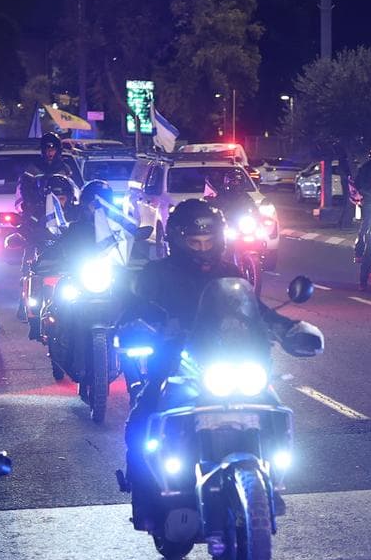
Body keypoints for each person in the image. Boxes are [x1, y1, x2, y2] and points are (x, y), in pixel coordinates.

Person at [122, 199, 305, 528]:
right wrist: (144, 323)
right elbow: (134, 305)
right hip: (176, 364)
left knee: (273, 408)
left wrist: (288, 328)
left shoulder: (229, 272)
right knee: (143, 418)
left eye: (208, 242)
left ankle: (272, 480)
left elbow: (255, 310)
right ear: (178, 242)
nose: (203, 249)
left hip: (228, 363)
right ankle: (146, 498)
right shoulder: (156, 274)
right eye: (194, 242)